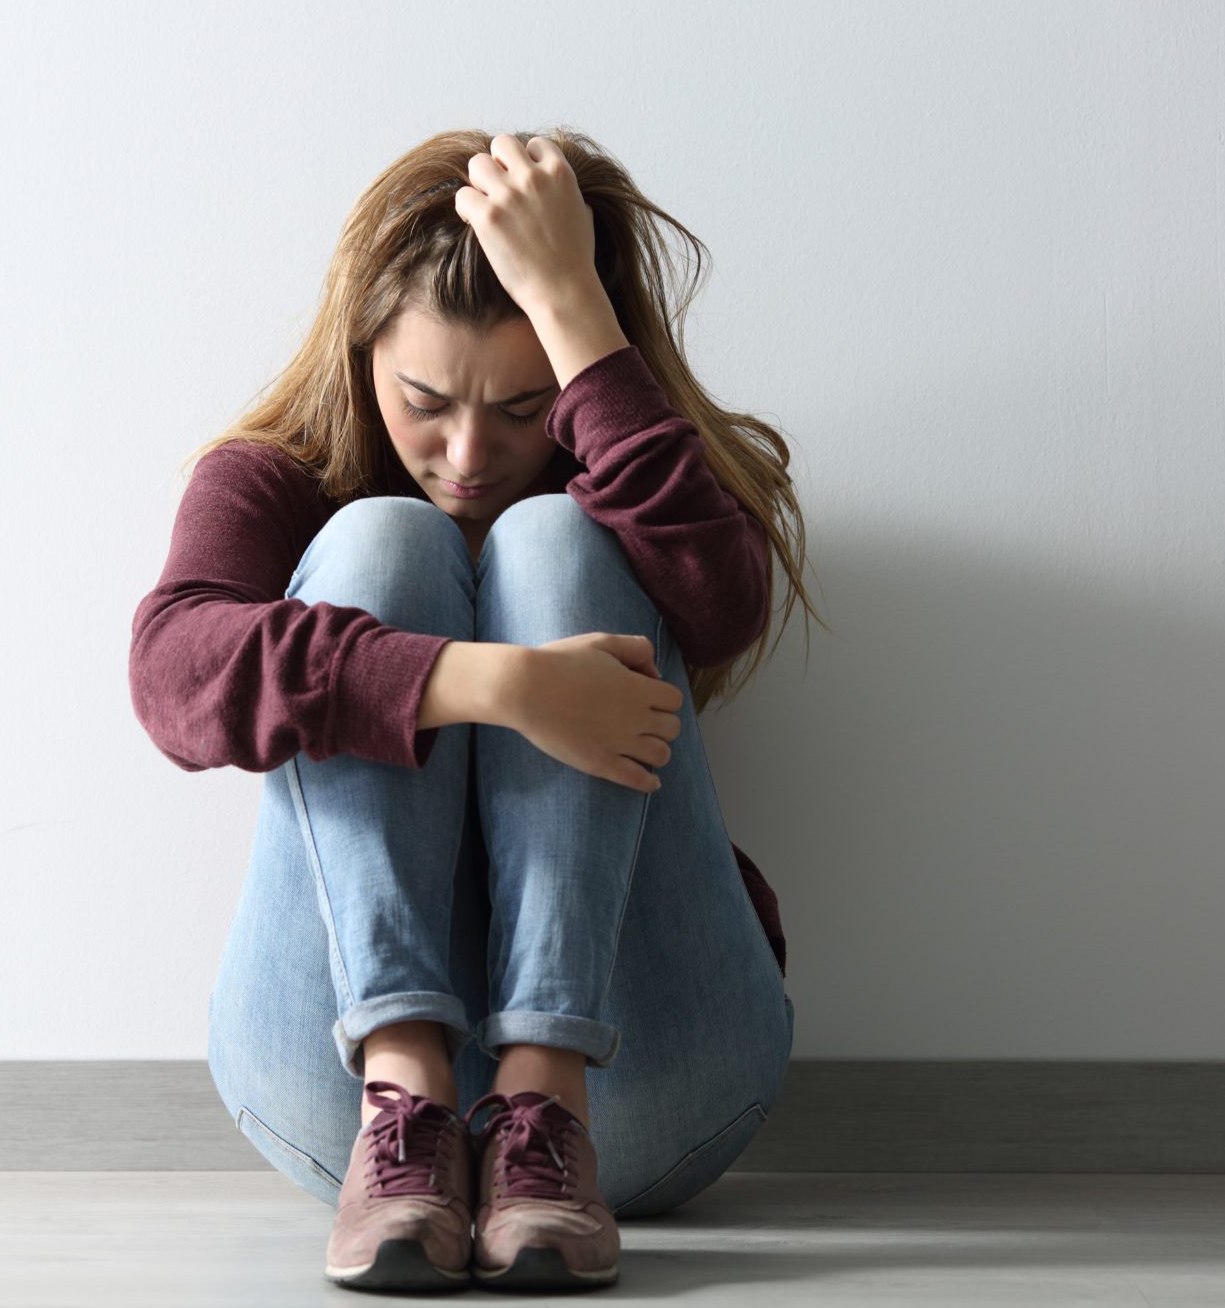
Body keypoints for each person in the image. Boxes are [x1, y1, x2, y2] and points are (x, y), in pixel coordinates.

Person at [128, 127, 821, 1294]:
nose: (465, 454)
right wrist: (495, 682)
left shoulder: (628, 470)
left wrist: (571, 300)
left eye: (522, 408)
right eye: (425, 401)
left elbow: (722, 602)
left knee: (552, 533)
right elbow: (169, 673)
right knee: (379, 537)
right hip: (335, 1097)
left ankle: (543, 1101)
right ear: (362, 360)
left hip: (645, 1085)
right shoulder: (277, 477)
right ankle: (406, 1093)